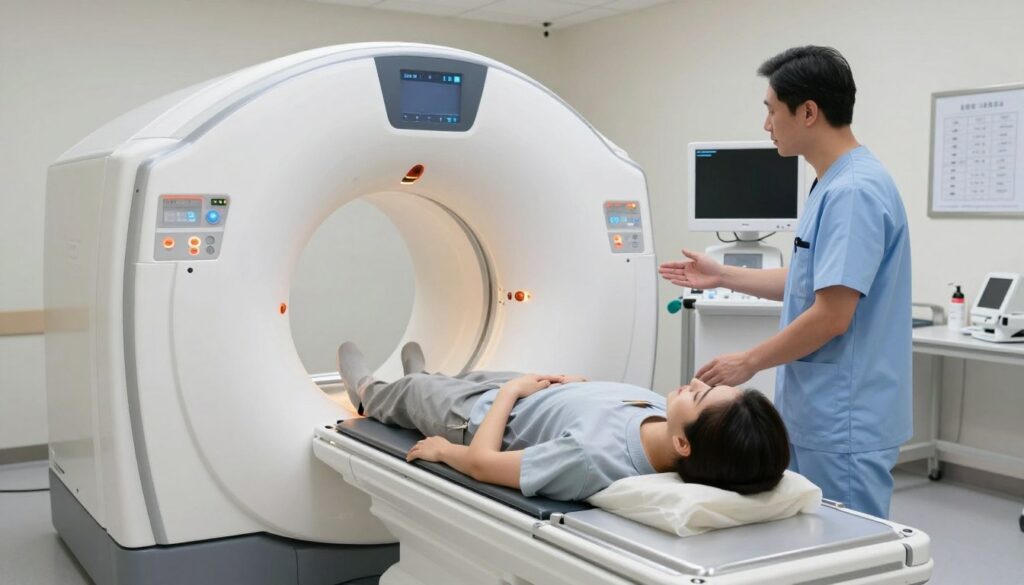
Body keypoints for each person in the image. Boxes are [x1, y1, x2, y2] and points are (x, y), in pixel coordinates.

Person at [659, 46, 911, 519]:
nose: (767, 124)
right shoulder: (830, 184)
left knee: (847, 548)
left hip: (844, 416)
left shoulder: (853, 192)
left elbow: (833, 315)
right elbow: (809, 281)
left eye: (772, 110)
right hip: (824, 409)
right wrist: (723, 274)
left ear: (809, 112)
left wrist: (749, 362)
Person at [337, 341, 790, 501]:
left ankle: (369, 391)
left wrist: (444, 450)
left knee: (415, 395)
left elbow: (481, 463)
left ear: (686, 445)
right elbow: (607, 408)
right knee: (443, 380)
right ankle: (423, 376)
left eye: (701, 395)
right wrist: (573, 385)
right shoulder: (665, 418)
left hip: (474, 418)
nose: (693, 382)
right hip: (530, 393)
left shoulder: (591, 461)